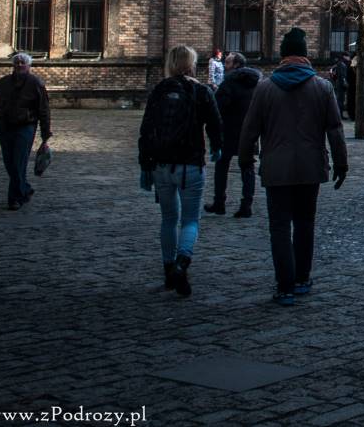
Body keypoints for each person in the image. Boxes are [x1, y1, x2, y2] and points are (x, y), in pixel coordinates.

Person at [238, 28, 348, 306]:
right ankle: (301, 278)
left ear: (283, 55)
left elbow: (250, 129)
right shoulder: (322, 87)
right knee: (305, 223)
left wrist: (245, 159)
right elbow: (335, 129)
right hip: (311, 166)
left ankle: (284, 285)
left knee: (279, 227)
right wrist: (341, 163)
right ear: (306, 55)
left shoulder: (265, 87)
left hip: (276, 167)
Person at [138, 45, 223, 297]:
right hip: (190, 164)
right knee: (190, 220)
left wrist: (145, 164)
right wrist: (217, 147)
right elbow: (216, 125)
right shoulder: (201, 91)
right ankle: (182, 263)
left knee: (168, 219)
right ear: (190, 64)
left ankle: (169, 271)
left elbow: (146, 129)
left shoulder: (159, 90)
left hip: (161, 165)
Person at [0, 52, 51, 210]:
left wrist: (45, 134)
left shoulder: (35, 83)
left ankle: (15, 199)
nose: (19, 65)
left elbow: (44, 109)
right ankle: (25, 188)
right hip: (5, 126)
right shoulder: (4, 82)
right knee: (9, 163)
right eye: (17, 62)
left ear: (29, 65)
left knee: (19, 162)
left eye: (22, 62)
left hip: (25, 126)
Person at [205, 51, 261, 218]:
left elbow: (218, 107)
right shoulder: (257, 82)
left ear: (236, 65)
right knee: (247, 167)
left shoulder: (229, 82)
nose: (225, 65)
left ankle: (219, 203)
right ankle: (246, 205)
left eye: (228, 63)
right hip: (249, 131)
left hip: (229, 130)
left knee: (222, 166)